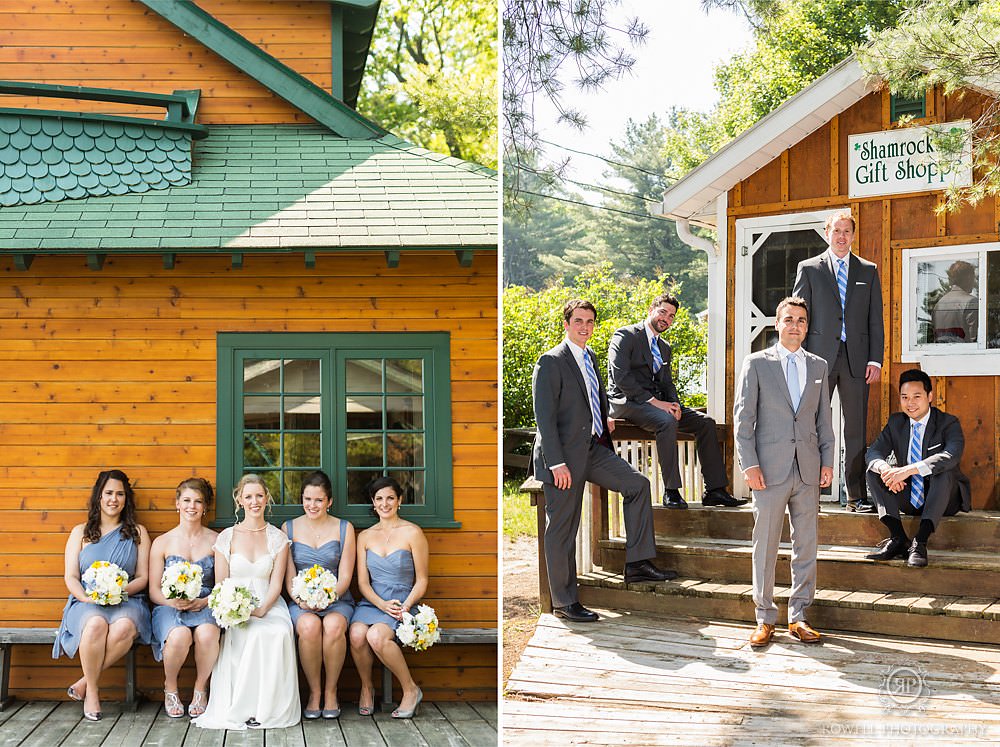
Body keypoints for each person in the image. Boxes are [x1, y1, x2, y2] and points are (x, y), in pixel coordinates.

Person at [531, 299, 674, 624]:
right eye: (578, 321)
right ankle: (566, 603)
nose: (584, 327)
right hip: (563, 458)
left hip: (593, 448)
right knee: (562, 531)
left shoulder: (590, 356)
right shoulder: (551, 361)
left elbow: (596, 394)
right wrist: (556, 464)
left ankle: (637, 564)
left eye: (590, 321)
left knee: (638, 485)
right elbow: (544, 417)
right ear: (566, 324)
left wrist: (605, 415)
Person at [734, 297, 835, 648]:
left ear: (808, 327)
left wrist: (827, 461)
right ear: (776, 324)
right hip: (769, 470)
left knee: (806, 545)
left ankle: (799, 616)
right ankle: (764, 618)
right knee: (765, 544)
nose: (795, 325)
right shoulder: (757, 363)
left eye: (801, 320)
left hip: (807, 469)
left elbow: (824, 419)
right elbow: (743, 420)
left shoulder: (819, 366)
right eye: (788, 319)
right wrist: (749, 465)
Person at [607, 293, 745, 509]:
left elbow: (667, 383)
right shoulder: (625, 336)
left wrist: (675, 404)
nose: (666, 319)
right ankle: (671, 491)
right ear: (651, 310)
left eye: (671, 316)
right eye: (663, 312)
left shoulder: (664, 347)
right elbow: (621, 378)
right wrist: (657, 403)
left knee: (706, 423)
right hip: (627, 402)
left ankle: (715, 490)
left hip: (656, 405)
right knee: (666, 421)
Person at [192, 474, 300, 730]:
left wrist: (263, 608)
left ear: (267, 500)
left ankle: (268, 709)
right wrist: (231, 608)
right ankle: (242, 708)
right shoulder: (226, 537)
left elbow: (276, 582)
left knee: (277, 631)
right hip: (234, 606)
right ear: (239, 500)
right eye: (248, 496)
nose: (254, 501)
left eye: (259, 496)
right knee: (247, 633)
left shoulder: (277, 538)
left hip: (269, 604)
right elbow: (221, 583)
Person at [793, 210, 883, 512]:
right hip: (818, 358)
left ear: (853, 236)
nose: (842, 237)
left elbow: (876, 320)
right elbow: (798, 316)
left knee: (855, 428)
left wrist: (876, 359)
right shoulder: (809, 269)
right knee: (812, 424)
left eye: (847, 231)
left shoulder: (868, 271)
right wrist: (797, 355)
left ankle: (856, 496)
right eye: (837, 231)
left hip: (857, 360)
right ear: (827, 234)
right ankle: (810, 495)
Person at [53, 469, 152, 721]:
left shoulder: (138, 532)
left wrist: (119, 591)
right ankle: (93, 692)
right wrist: (86, 598)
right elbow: (71, 577)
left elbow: (142, 577)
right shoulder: (80, 532)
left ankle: (86, 681)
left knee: (123, 628)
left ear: (126, 499)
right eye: (108, 493)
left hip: (127, 600)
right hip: (87, 602)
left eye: (120, 494)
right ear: (98, 496)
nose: (113, 499)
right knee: (95, 624)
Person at [864, 369, 971, 568]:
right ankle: (898, 538)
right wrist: (886, 469)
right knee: (874, 470)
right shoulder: (896, 422)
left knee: (943, 470)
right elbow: (874, 452)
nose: (910, 403)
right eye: (905, 397)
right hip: (908, 496)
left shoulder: (948, 423)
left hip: (945, 498)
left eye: (917, 396)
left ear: (929, 397)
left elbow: (950, 456)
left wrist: (907, 470)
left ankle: (919, 543)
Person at [349, 476, 427, 719]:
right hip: (373, 601)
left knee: (376, 636)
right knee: (356, 634)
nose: (385, 503)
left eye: (390, 498)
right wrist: (380, 603)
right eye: (379, 499)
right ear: (373, 503)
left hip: (402, 601)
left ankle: (410, 689)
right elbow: (362, 583)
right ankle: (366, 687)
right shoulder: (364, 537)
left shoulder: (412, 532)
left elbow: (422, 579)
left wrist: (406, 605)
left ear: (399, 501)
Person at [284, 470, 356, 719]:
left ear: (329, 501)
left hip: (337, 599)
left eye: (318, 500)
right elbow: (289, 576)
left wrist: (325, 598)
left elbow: (345, 576)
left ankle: (331, 691)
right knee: (308, 627)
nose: (312, 505)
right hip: (300, 601)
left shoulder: (345, 528)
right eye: (307, 499)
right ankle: (314, 692)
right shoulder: (289, 527)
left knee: (335, 626)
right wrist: (302, 600)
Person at [148, 478, 220, 718]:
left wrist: (204, 601)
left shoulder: (216, 541)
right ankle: (170, 687)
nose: (192, 506)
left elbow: (221, 585)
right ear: (177, 504)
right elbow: (154, 591)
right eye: (187, 500)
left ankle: (201, 688)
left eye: (198, 501)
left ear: (205, 507)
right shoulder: (162, 542)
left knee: (207, 633)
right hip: (169, 606)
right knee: (179, 636)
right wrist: (172, 602)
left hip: (206, 603)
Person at [932, 260, 978, 343]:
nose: (974, 283)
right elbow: (975, 341)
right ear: (968, 278)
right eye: (973, 278)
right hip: (964, 354)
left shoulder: (939, 304)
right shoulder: (971, 302)